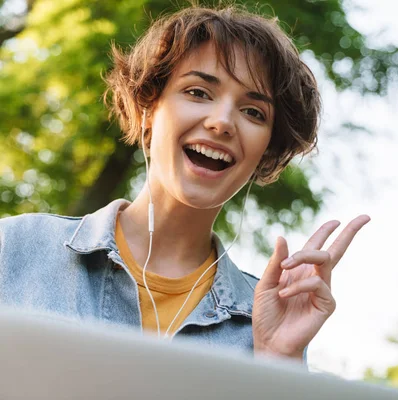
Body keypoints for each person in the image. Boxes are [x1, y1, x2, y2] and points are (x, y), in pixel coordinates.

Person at [0, 5, 369, 363]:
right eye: (198, 92)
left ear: (266, 151)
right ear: (148, 108)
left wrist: (279, 362)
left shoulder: (269, 322)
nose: (222, 122)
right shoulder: (16, 249)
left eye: (253, 112)